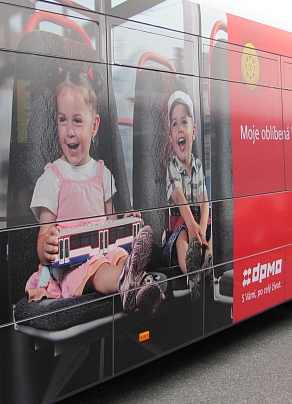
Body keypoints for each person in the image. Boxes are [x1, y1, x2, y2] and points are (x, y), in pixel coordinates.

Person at [25, 65, 163, 314]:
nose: (69, 131)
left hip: (104, 252)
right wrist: (45, 247)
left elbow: (109, 225)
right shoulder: (51, 178)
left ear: (94, 125)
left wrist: (126, 221)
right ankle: (128, 282)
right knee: (99, 268)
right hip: (70, 269)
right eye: (62, 120)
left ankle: (134, 278)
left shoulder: (103, 175)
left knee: (118, 256)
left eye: (77, 121)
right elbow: (43, 235)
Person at [164, 91, 212, 300]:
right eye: (174, 124)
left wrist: (201, 229)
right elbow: (180, 200)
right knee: (181, 240)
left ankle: (207, 262)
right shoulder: (171, 167)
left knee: (211, 238)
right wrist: (193, 230)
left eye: (184, 122)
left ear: (193, 132)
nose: (179, 128)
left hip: (198, 222)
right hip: (180, 222)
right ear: (170, 137)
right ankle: (191, 271)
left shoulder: (198, 166)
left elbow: (204, 201)